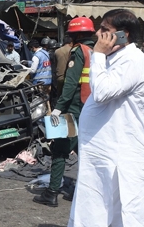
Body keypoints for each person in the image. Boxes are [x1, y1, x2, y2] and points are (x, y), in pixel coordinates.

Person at [68, 9, 144, 226]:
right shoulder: (113, 57)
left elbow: (104, 92)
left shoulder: (133, 60)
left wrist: (97, 55)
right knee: (93, 205)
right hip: (102, 149)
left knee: (122, 210)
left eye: (105, 30)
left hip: (121, 151)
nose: (98, 34)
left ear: (123, 34)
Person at [33, 17, 95, 207]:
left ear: (75, 35)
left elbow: (70, 83)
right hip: (88, 107)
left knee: (60, 150)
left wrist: (59, 107)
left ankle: (51, 193)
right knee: (81, 149)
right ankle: (81, 190)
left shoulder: (78, 51)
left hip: (73, 107)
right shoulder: (94, 52)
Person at [22, 39, 52, 112]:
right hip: (48, 81)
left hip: (40, 82)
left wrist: (24, 68)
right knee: (47, 100)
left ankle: (44, 116)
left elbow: (33, 70)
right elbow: (41, 64)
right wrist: (28, 62)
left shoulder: (36, 56)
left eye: (30, 48)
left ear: (33, 47)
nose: (30, 50)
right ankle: (49, 113)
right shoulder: (45, 53)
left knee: (41, 101)